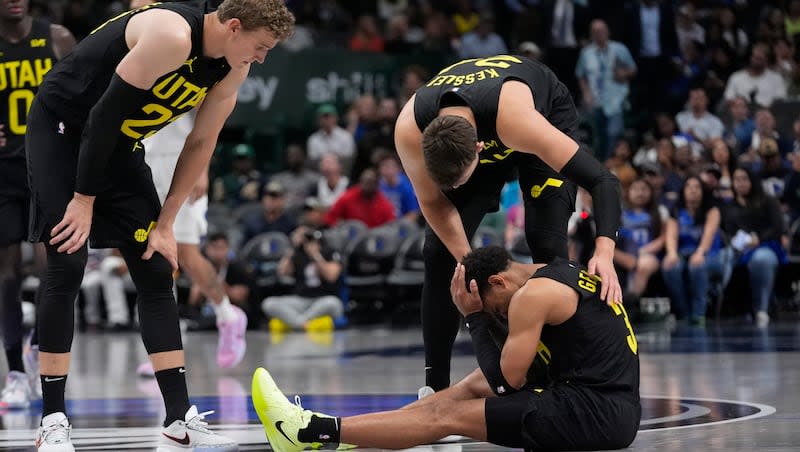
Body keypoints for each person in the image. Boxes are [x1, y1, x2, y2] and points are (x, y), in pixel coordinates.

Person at [25, 1, 294, 450]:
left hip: (121, 141)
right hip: (62, 129)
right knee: (67, 262)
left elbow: (201, 143)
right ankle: (52, 418)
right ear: (232, 27)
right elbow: (100, 118)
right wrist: (83, 200)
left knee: (155, 264)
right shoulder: (173, 36)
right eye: (261, 46)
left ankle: (179, 420)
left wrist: (166, 223)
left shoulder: (231, 69)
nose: (261, 58)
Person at [251, 246, 640, 452]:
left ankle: (305, 432)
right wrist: (482, 315)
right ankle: (347, 436)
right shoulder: (555, 271)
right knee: (460, 390)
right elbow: (498, 375)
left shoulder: (530, 297)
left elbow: (505, 383)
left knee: (449, 416)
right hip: (595, 398)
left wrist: (472, 319)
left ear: (498, 282)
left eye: (493, 309)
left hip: (596, 411)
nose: (498, 318)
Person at [394, 53, 623, 391]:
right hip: (479, 135)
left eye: (458, 181)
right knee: (438, 254)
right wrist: (468, 265)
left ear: (480, 149)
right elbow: (433, 203)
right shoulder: (409, 130)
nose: (454, 190)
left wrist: (604, 252)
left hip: (539, 113)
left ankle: (562, 373)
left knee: (548, 249)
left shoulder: (518, 121)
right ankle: (434, 388)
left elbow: (604, 181)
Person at [0, 0, 75, 409]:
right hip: (3, 173)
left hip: (47, 166)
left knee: (55, 266)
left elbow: (89, 95)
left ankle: (39, 346)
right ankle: (14, 371)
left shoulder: (57, 38)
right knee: (7, 274)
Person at [143, 108, 248, 371]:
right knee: (156, 260)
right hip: (145, 163)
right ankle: (164, 350)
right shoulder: (132, 67)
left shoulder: (186, 67)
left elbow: (209, 117)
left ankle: (226, 314)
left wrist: (202, 169)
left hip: (182, 162)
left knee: (186, 255)